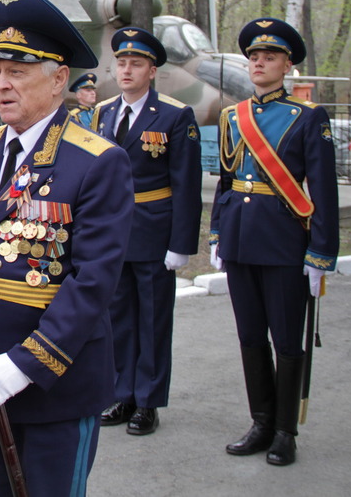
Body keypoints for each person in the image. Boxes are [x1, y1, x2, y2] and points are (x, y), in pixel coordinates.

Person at [0, 0, 133, 497]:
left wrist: (25, 364)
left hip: (52, 379)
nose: (3, 85)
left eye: (18, 71)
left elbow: (93, 283)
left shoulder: (97, 162)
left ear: (59, 79)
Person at [210, 17, 338, 466]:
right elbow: (226, 181)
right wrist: (217, 232)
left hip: (284, 241)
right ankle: (260, 421)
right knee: (250, 337)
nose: (259, 63)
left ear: (287, 65)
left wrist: (321, 251)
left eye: (269, 57)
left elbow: (323, 189)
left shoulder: (308, 117)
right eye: (254, 57)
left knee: (286, 338)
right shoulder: (232, 116)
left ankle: (286, 431)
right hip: (241, 241)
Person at [90, 28, 202, 436]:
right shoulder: (103, 112)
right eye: (121, 62)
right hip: (113, 234)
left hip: (155, 233)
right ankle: (123, 394)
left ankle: (148, 402)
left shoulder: (174, 115)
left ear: (152, 71)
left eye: (136, 64)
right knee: (118, 317)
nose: (126, 70)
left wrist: (181, 245)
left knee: (153, 320)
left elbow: (187, 185)